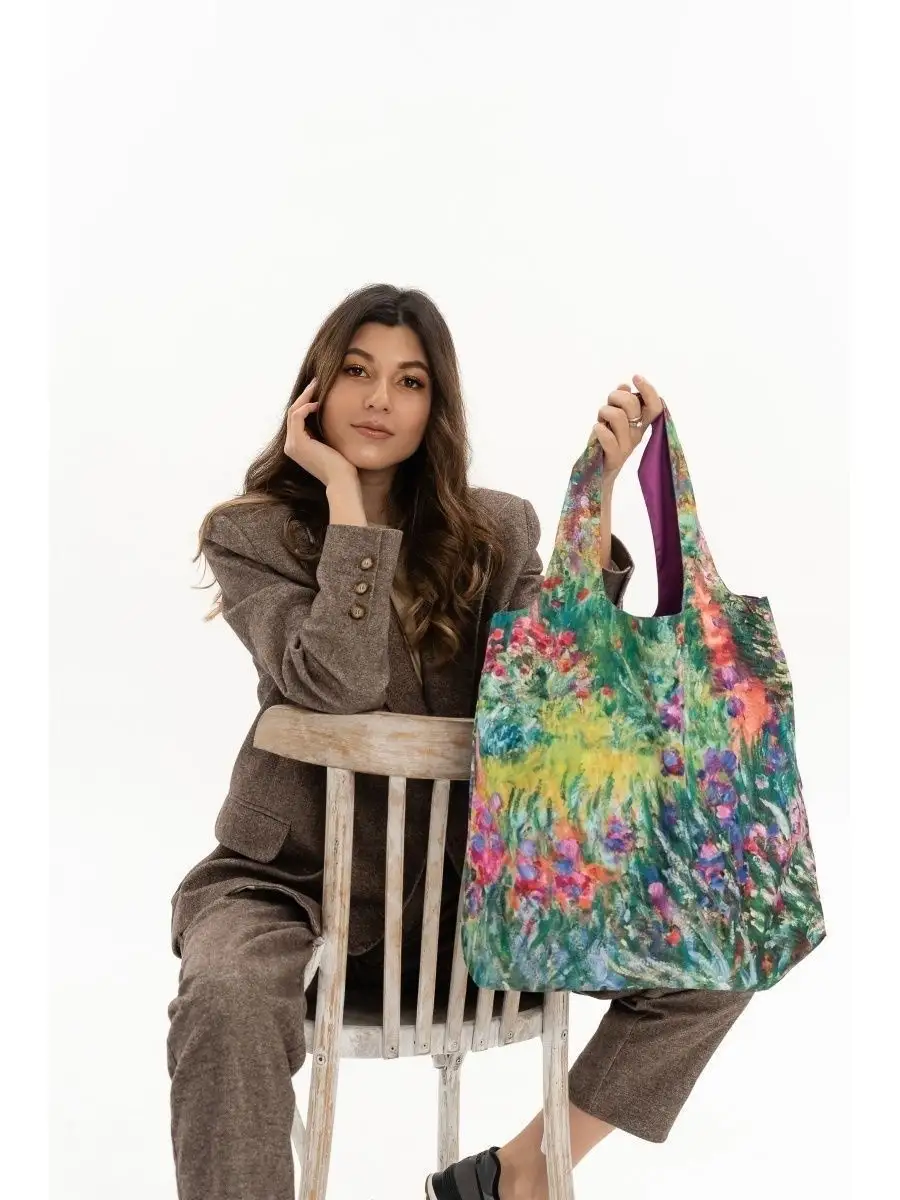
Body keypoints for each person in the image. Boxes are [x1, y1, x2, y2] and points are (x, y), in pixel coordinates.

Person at [166, 283, 752, 1200]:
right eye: (356, 372)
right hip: (287, 883)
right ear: (316, 388)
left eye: (409, 382)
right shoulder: (253, 534)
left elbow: (558, 687)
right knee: (224, 997)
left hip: (471, 897)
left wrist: (595, 496)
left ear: (435, 406)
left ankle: (521, 1173)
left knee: (720, 948)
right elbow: (336, 684)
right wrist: (346, 503)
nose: (379, 400)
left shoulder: (495, 532)